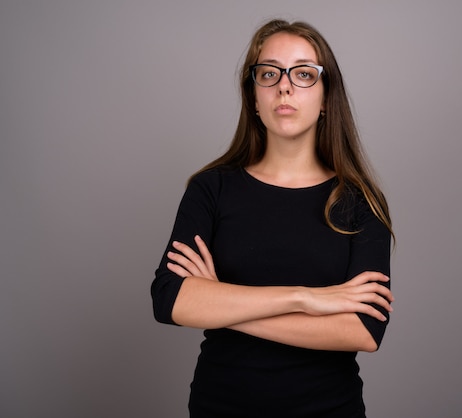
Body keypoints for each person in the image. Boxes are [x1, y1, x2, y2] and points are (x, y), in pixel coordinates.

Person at [151, 18, 394, 417]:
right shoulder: (211, 189)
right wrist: (307, 299)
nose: (284, 85)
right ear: (254, 98)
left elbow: (364, 330)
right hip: (221, 407)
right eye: (269, 73)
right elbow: (170, 299)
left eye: (303, 74)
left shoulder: (361, 201)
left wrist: (224, 303)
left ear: (326, 98)